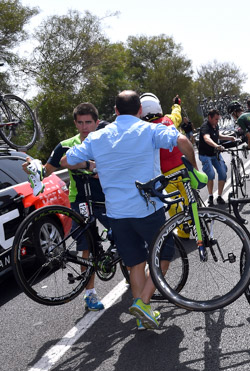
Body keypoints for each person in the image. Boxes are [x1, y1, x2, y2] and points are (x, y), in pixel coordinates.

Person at [62, 90, 198, 330]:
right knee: (164, 256)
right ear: (139, 111)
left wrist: (92, 164)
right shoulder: (149, 130)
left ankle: (141, 319)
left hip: (116, 213)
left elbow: (66, 161)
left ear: (115, 111)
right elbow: (183, 141)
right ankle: (144, 303)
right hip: (148, 208)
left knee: (134, 262)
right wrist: (194, 169)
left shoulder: (98, 136)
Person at [31, 103, 107, 311]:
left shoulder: (107, 139)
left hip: (108, 197)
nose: (84, 127)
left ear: (96, 122)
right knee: (86, 246)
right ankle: (89, 293)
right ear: (75, 123)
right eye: (80, 123)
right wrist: (31, 168)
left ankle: (132, 274)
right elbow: (45, 171)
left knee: (123, 236)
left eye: (88, 122)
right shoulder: (65, 145)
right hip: (80, 199)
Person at [140, 93, 201, 241]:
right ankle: (197, 225)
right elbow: (176, 113)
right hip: (183, 168)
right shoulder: (169, 120)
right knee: (189, 198)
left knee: (173, 204)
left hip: (165, 175)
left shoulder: (143, 129)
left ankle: (183, 231)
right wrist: (176, 103)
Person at [197, 108, 237, 205]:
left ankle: (219, 196)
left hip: (215, 154)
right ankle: (210, 196)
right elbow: (207, 138)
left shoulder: (215, 125)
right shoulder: (205, 127)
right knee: (210, 174)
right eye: (216, 119)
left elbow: (217, 135)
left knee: (223, 173)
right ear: (209, 117)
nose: (217, 121)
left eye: (218, 119)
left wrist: (229, 138)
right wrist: (217, 146)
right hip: (205, 155)